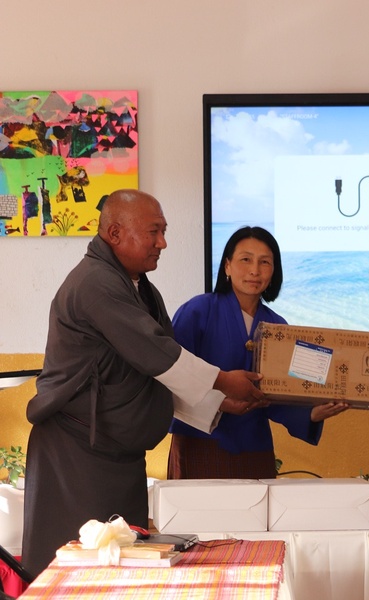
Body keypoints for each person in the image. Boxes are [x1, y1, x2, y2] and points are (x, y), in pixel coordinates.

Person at [22, 189, 267, 575]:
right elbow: (158, 354)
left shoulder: (139, 288)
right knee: (81, 574)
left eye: (164, 231)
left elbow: (148, 373)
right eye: (154, 232)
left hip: (118, 454)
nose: (163, 243)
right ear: (115, 233)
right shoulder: (95, 282)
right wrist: (223, 382)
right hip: (76, 456)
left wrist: (217, 403)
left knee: (125, 570)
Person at [167, 226, 348, 479]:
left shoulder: (279, 327)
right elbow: (173, 377)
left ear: (274, 272)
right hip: (199, 445)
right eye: (245, 260)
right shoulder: (197, 311)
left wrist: (312, 414)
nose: (255, 270)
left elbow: (279, 397)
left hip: (255, 448)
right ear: (227, 266)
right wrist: (221, 404)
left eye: (265, 262)